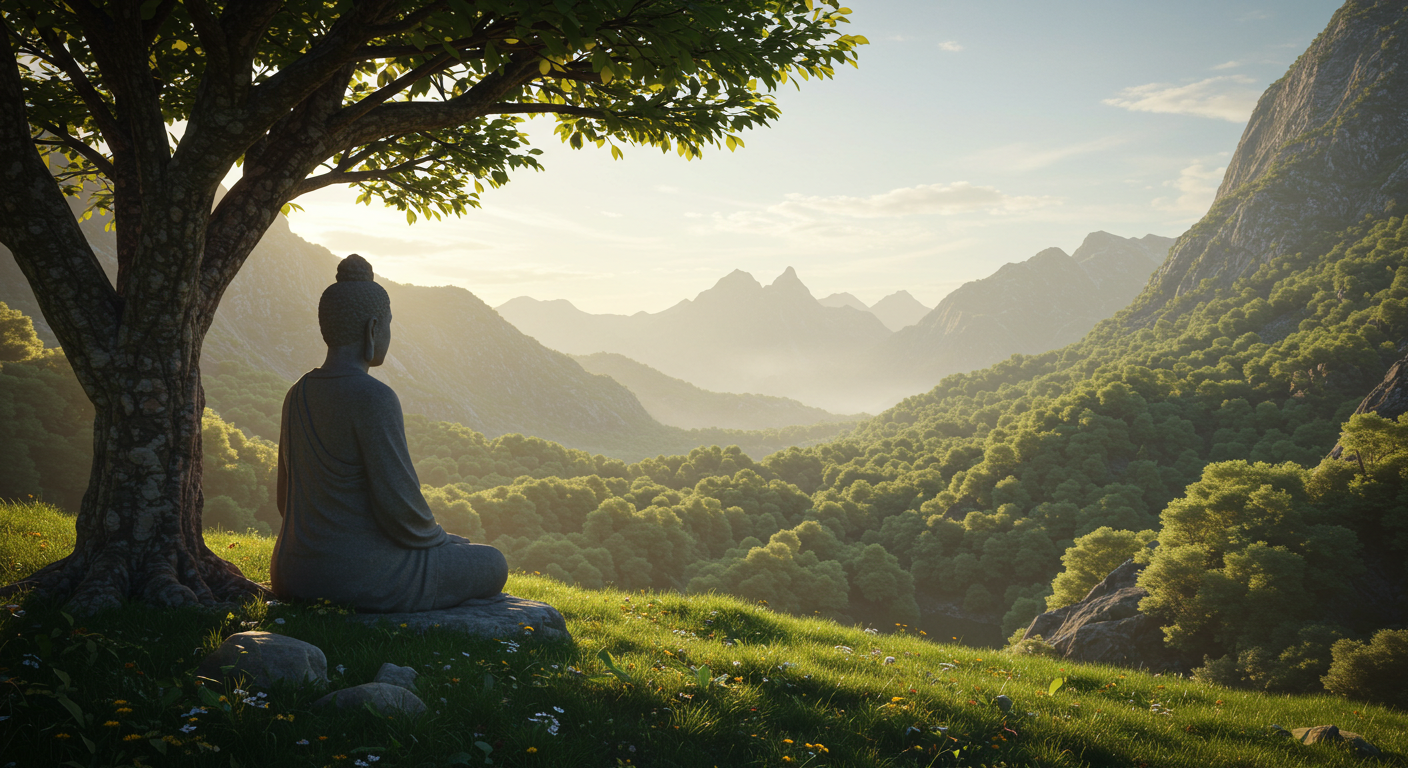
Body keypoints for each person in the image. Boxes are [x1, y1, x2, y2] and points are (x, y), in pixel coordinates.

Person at [269, 254, 508, 612]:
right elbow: (402, 514)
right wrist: (440, 541)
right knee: (492, 562)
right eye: (390, 326)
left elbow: (285, 500)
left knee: (462, 552)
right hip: (358, 577)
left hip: (291, 572)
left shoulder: (297, 392)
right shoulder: (373, 397)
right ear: (373, 329)